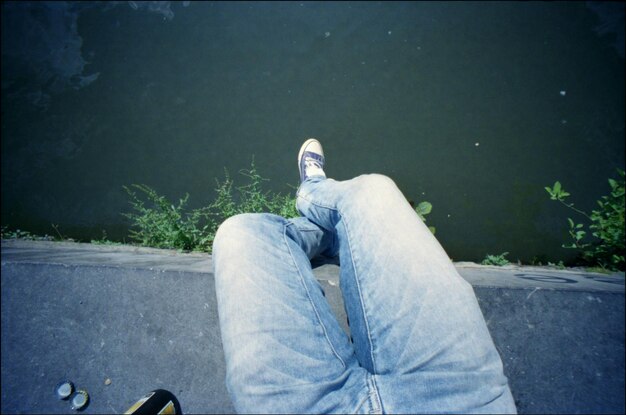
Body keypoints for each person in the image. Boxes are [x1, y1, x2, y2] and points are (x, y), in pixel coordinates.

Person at [212, 138, 516, 414]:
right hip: (459, 399)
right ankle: (315, 193)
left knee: (242, 231)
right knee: (375, 188)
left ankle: (325, 226)